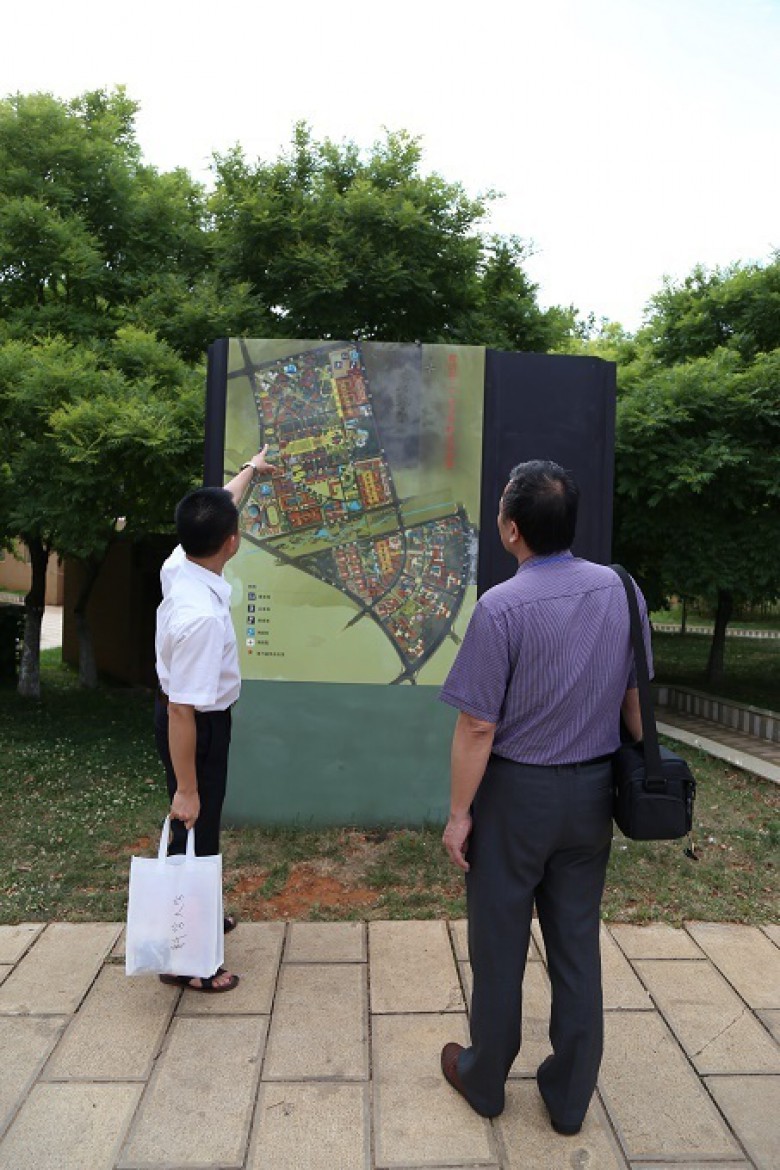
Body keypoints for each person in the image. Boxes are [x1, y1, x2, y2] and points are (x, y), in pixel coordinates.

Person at [439, 459, 648, 1133]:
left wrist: (459, 814)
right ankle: (568, 1098)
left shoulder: (501, 608)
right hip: (592, 795)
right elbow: (634, 703)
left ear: (512, 529)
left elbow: (477, 726)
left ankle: (486, 1079)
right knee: (576, 944)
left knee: (499, 944)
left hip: (515, 798)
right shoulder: (623, 592)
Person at [154, 447, 276, 993]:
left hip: (192, 723)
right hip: (194, 730)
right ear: (231, 542)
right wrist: (186, 787)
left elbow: (220, 503)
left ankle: (199, 913)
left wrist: (250, 469)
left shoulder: (179, 563)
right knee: (194, 828)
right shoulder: (200, 617)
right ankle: (187, 960)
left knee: (202, 830)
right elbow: (182, 709)